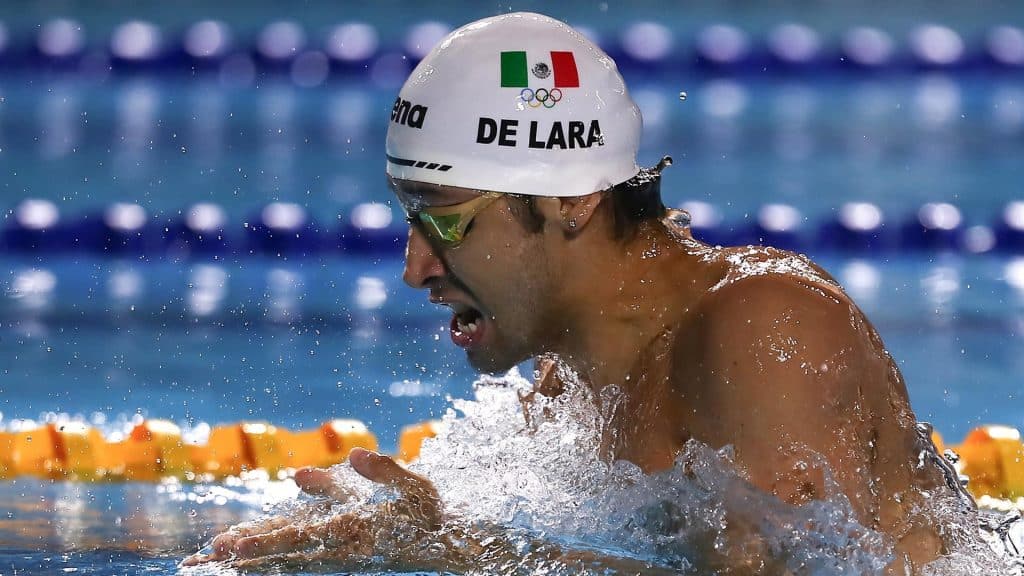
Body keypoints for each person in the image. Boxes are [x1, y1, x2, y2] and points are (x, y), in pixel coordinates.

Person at [183, 12, 970, 573]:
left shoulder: (761, 330)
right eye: (409, 220)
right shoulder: (571, 381)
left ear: (571, 200)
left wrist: (450, 551)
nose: (414, 266)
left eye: (446, 224)